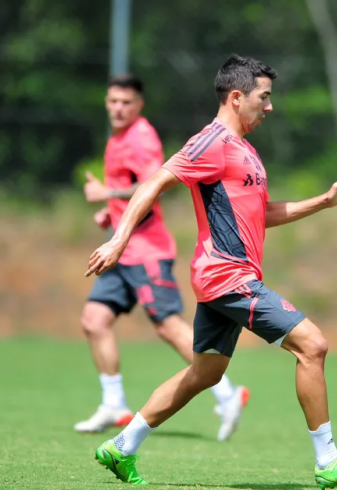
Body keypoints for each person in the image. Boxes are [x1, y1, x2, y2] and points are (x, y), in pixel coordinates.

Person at [84, 54, 337, 490]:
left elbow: (261, 213)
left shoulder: (245, 150)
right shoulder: (211, 142)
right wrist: (118, 239)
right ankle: (328, 461)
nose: (270, 107)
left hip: (225, 277)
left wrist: (325, 200)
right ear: (237, 96)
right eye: (264, 98)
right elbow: (154, 182)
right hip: (226, 277)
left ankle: (122, 446)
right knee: (312, 346)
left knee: (205, 374)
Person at [75, 73, 249, 442]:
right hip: (121, 250)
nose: (118, 108)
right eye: (113, 101)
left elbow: (154, 185)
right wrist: (111, 211)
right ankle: (113, 403)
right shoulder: (118, 138)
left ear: (139, 106)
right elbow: (131, 195)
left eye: (126, 102)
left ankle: (227, 393)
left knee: (168, 325)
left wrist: (107, 192)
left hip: (147, 252)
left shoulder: (141, 137)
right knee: (94, 319)